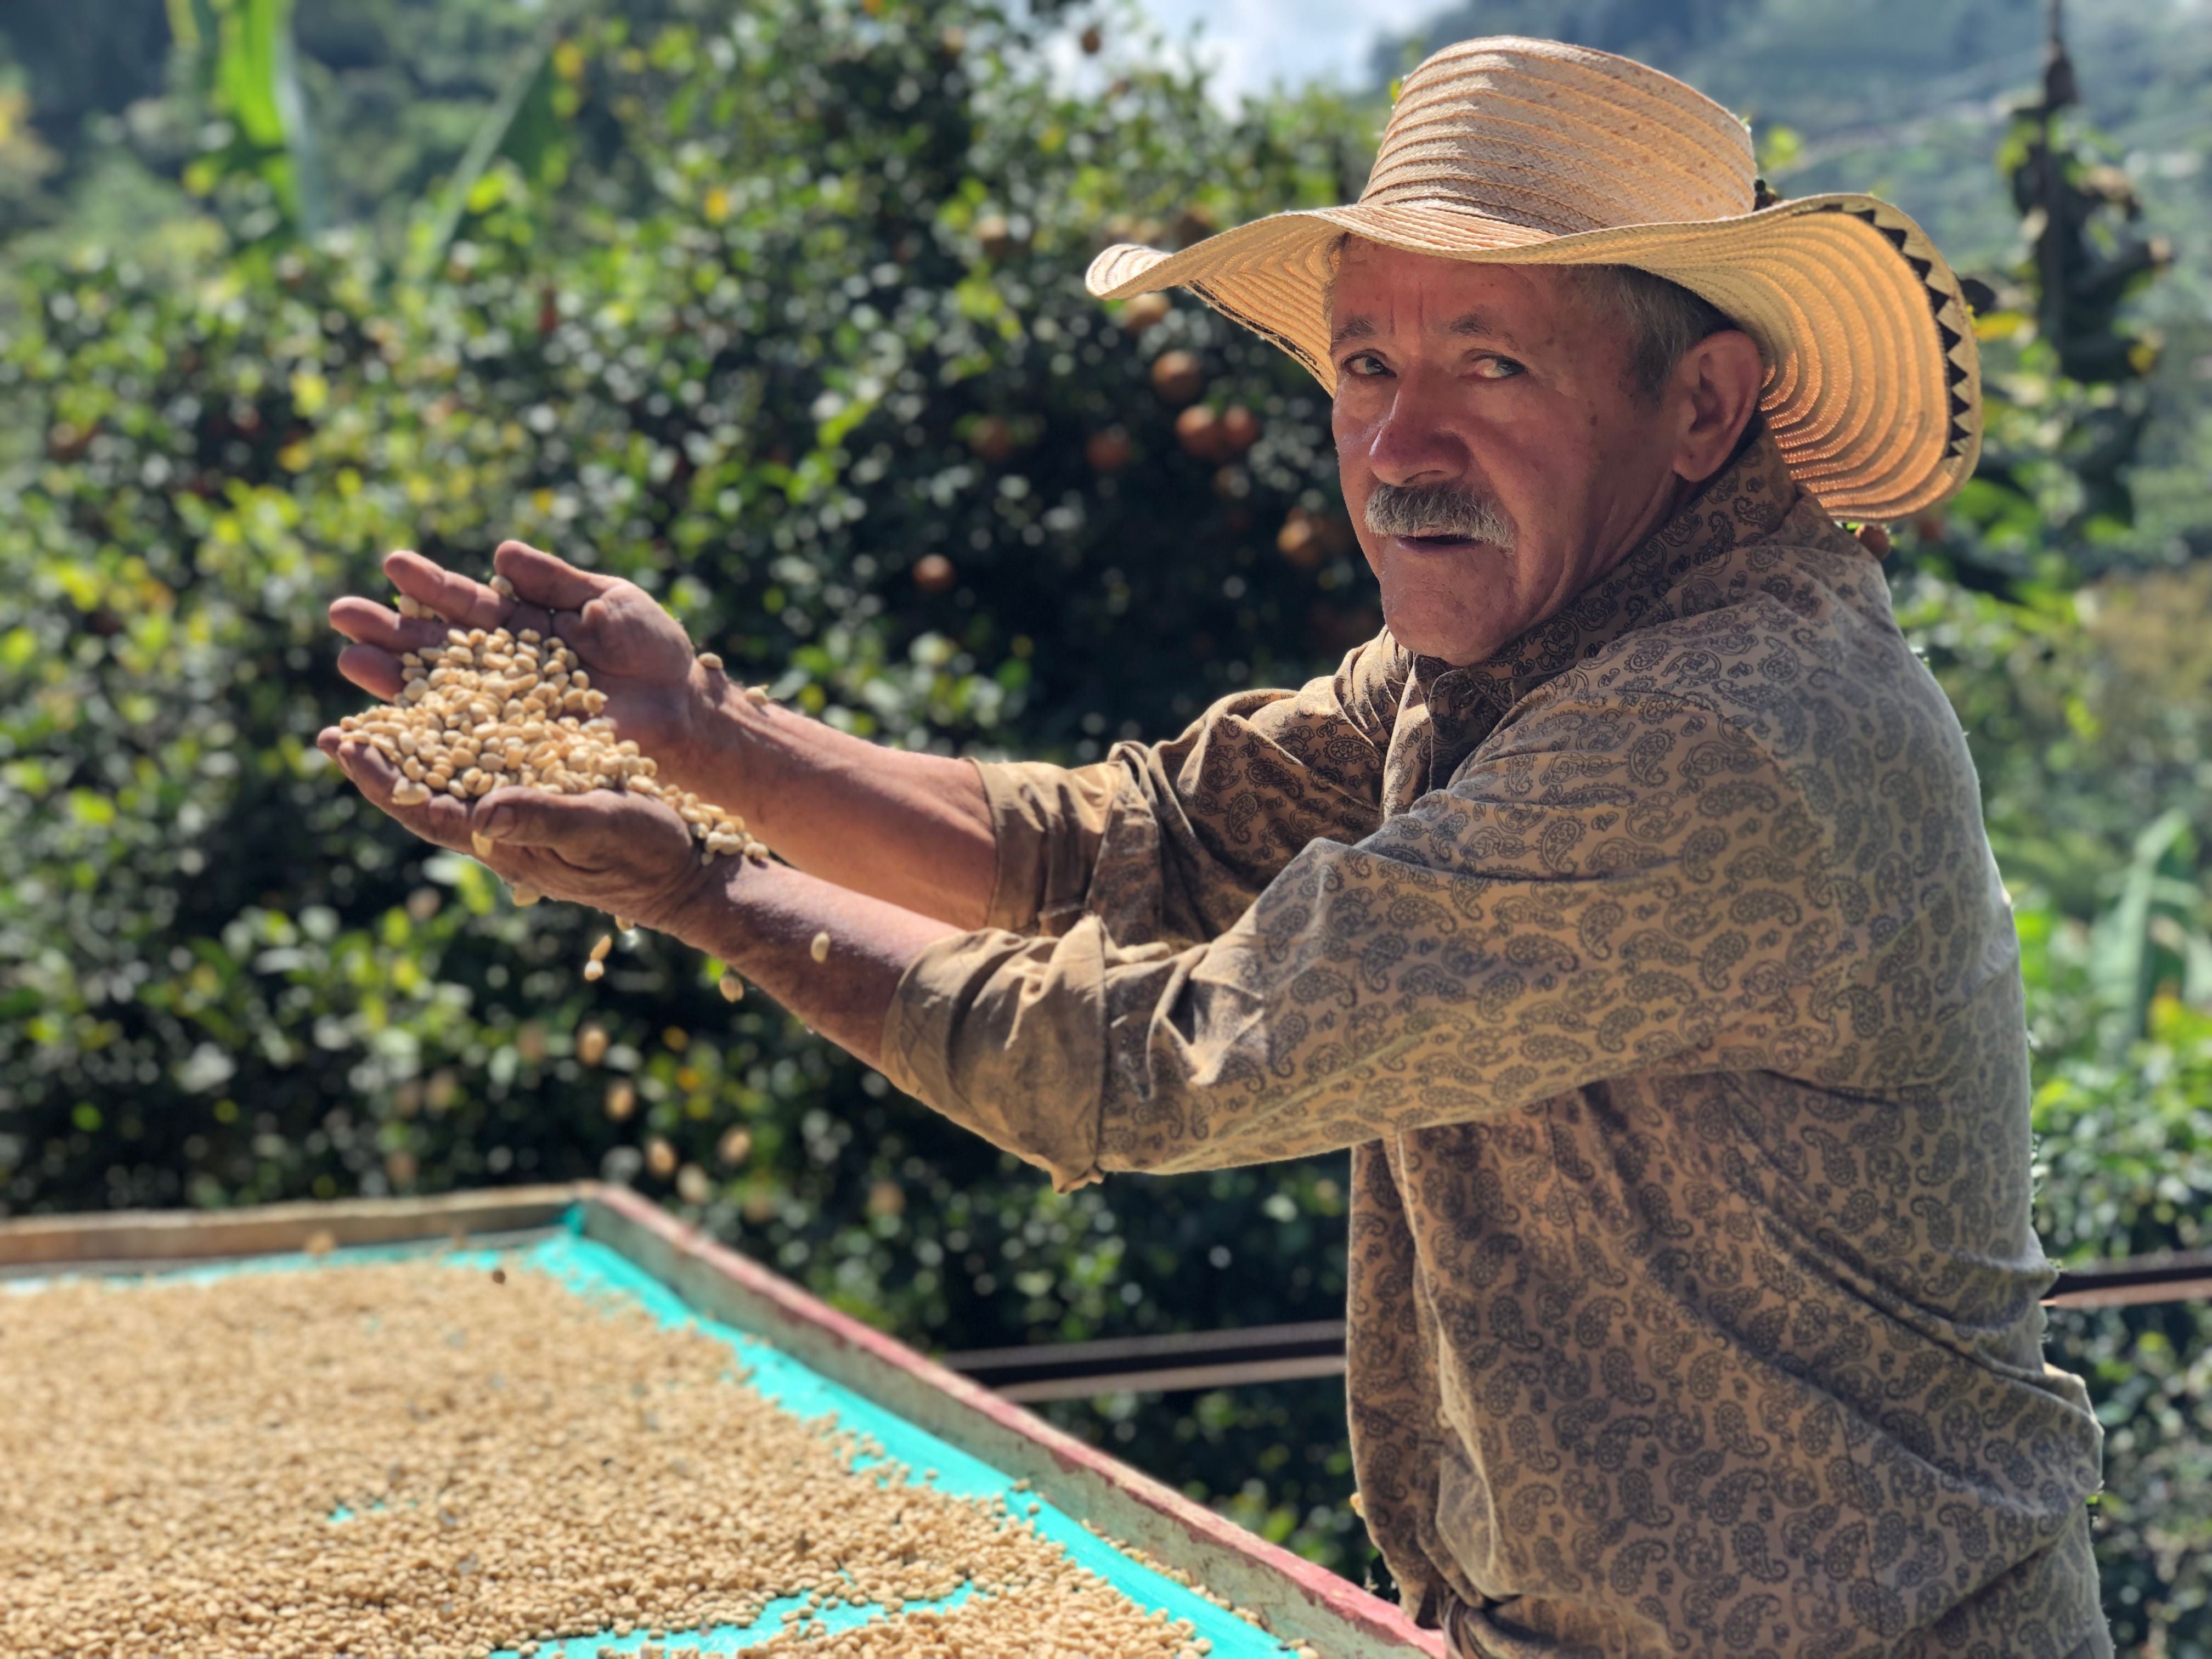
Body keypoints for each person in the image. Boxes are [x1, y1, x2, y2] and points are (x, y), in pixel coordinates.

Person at [321, 36, 2108, 1659]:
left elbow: (1166, 1064)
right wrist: (708, 736)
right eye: (1365, 364)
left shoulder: (1723, 733)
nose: (1403, 443)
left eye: (1493, 362)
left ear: (1702, 407)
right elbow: (1139, 841)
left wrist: (701, 889)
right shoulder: (1508, 648)